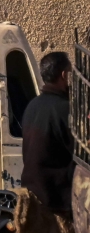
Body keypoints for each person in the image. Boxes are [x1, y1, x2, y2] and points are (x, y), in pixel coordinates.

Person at [21, 52, 76, 222]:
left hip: (32, 188)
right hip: (56, 195)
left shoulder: (32, 105)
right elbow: (81, 152)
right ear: (64, 75)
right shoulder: (64, 109)